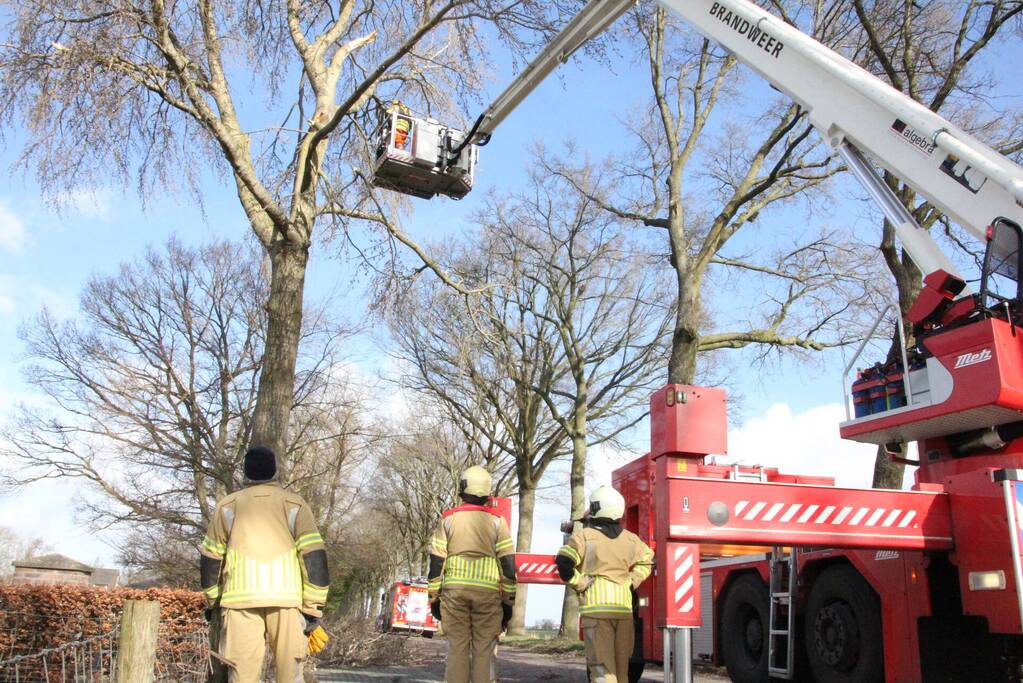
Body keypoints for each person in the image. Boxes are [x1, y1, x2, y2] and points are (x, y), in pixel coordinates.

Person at [199, 445, 330, 683]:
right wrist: (313, 608)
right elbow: (314, 557)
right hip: (287, 603)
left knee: (241, 676)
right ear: (275, 471)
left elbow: (211, 558)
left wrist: (213, 601)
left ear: (246, 473)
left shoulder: (228, 506)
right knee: (290, 676)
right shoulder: (294, 505)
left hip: (239, 604)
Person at [428, 465, 517, 683]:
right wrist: (508, 602)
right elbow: (507, 565)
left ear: (463, 488)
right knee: (484, 649)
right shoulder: (498, 522)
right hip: (488, 595)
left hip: (454, 593)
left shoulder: (447, 519)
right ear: (487, 491)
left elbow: (437, 562)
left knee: (457, 648)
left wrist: (434, 597)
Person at [556, 486, 654, 683]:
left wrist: (580, 583)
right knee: (621, 672)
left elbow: (564, 562)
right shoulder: (631, 539)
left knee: (602, 670)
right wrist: (633, 580)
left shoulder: (584, 537)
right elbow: (648, 560)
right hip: (623, 612)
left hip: (596, 612)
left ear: (595, 508)